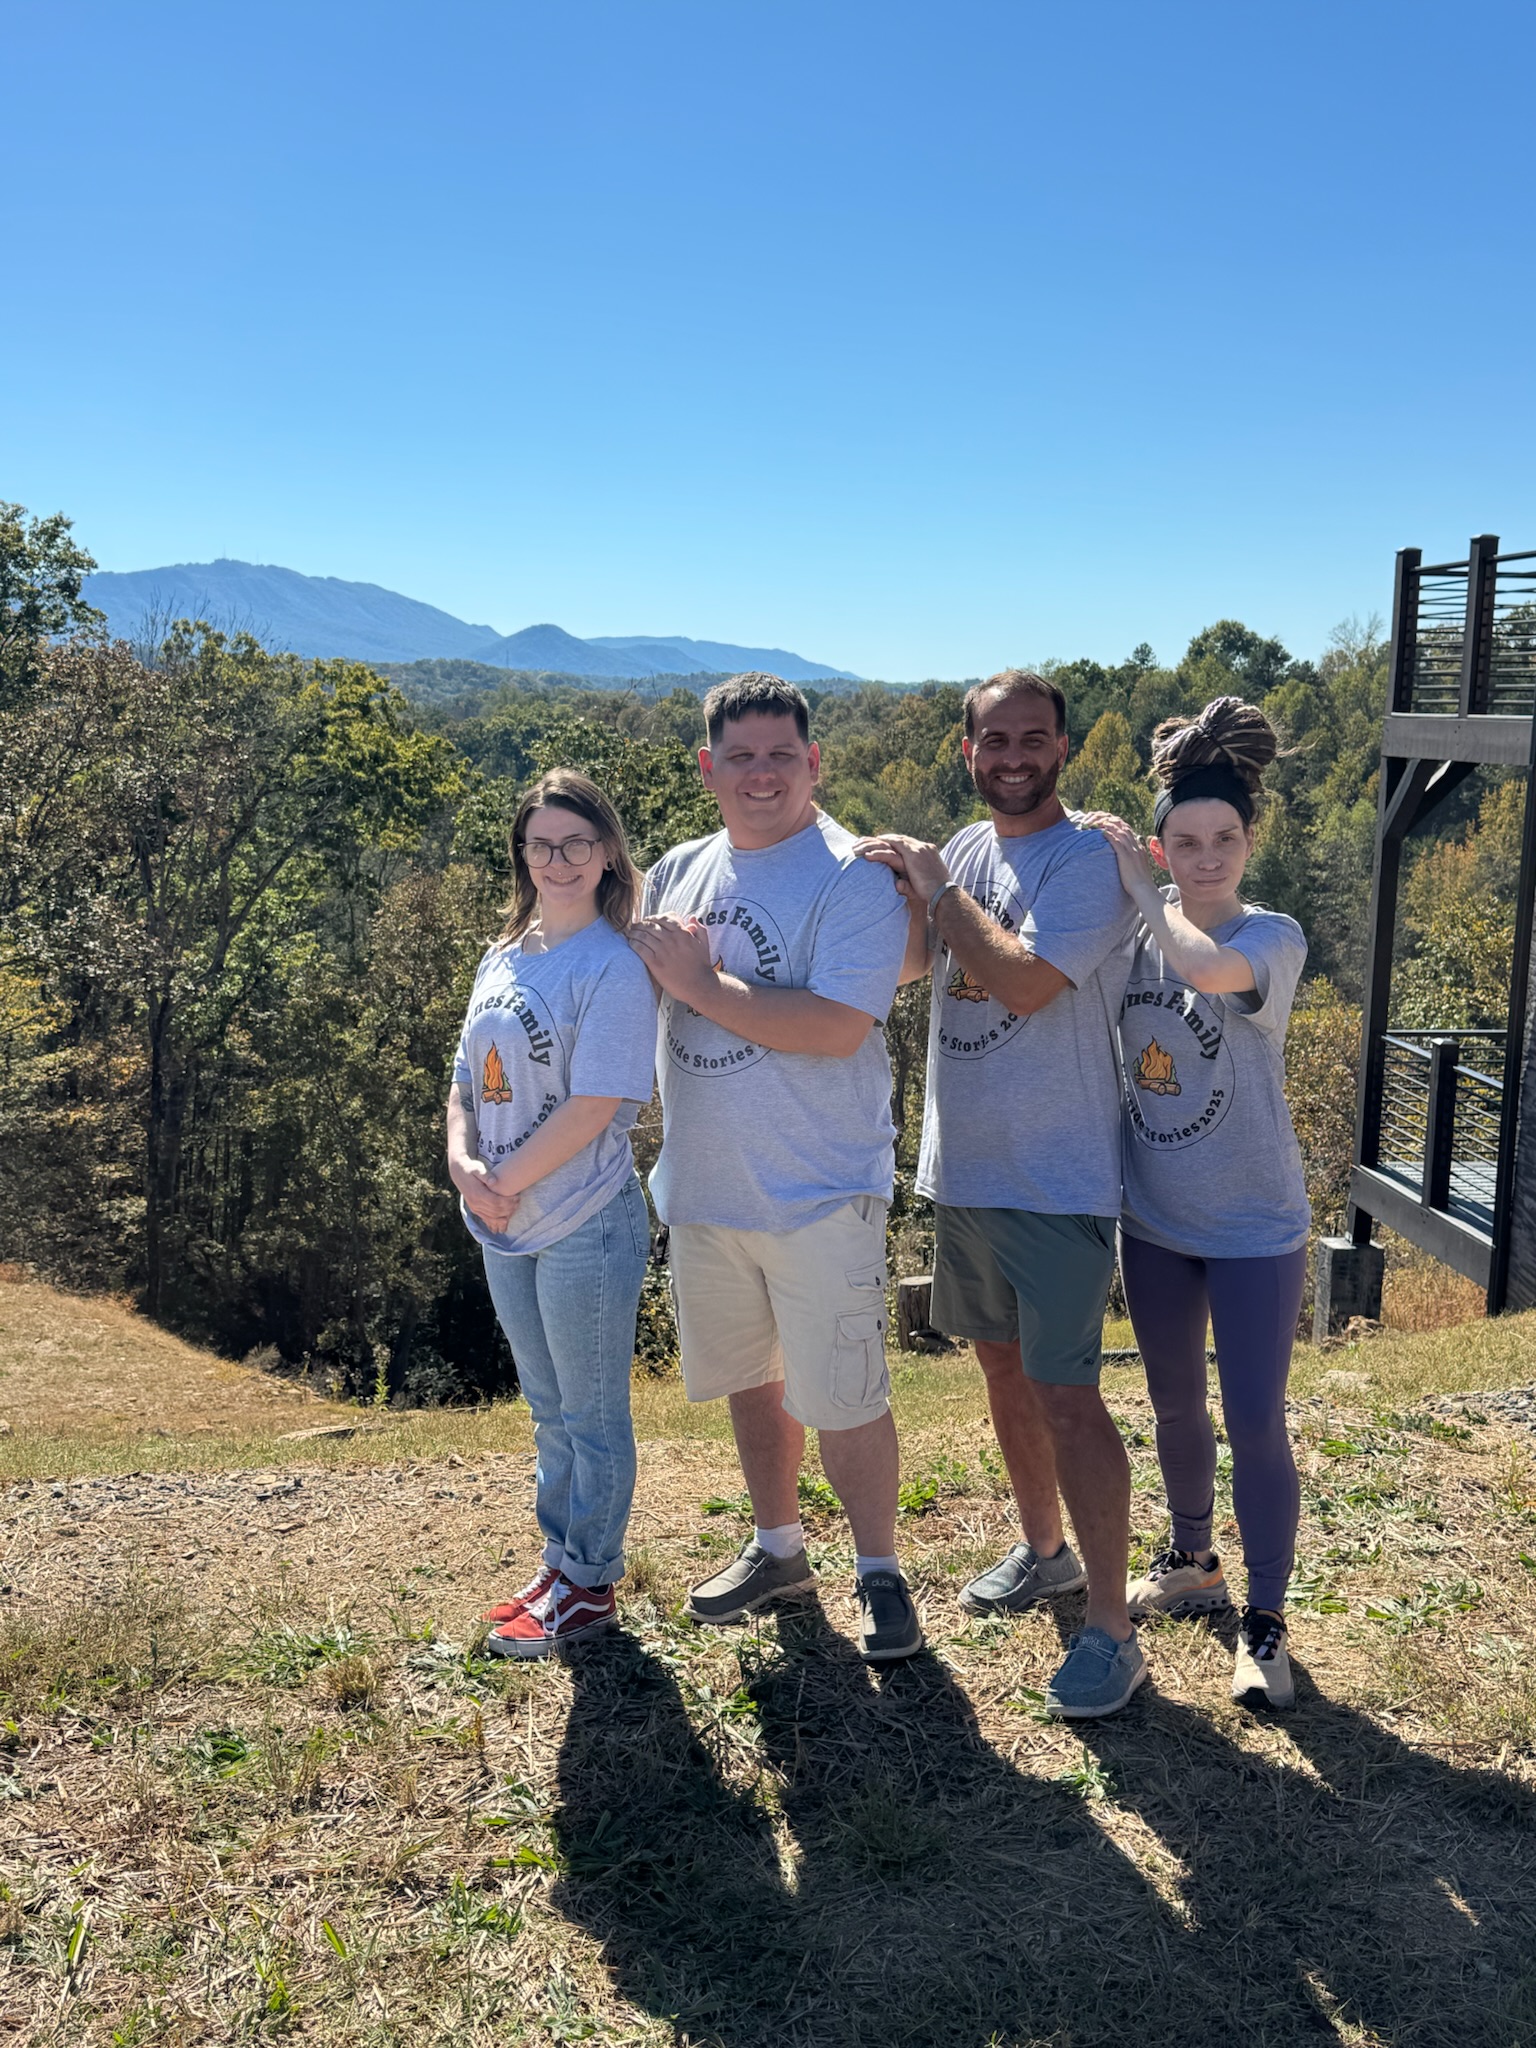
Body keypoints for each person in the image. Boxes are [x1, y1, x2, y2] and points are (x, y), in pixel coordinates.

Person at [860, 669, 1144, 1719]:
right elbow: (912, 967)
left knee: (1069, 1394)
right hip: (967, 1168)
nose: (1014, 756)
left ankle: (1113, 1629)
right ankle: (1045, 1551)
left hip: (1057, 1178)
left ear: (1064, 747)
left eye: (1033, 738)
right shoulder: (967, 850)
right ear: (966, 748)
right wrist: (882, 885)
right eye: (995, 739)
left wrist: (936, 889)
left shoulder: (1087, 863)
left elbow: (1023, 984)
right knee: (1001, 1367)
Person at [628, 673, 919, 1663]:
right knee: (751, 1381)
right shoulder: (677, 871)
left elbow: (836, 1026)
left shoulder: (851, 877)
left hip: (820, 1186)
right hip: (707, 1183)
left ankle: (879, 1570)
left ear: (814, 762)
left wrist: (703, 982)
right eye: (741, 756)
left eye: (781, 755)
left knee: (845, 1392)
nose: (762, 774)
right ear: (707, 767)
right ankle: (778, 1548)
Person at [1083, 695, 1309, 1711]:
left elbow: (1208, 969)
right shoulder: (1132, 942)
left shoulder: (1272, 936)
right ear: (1164, 842)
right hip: (1157, 1219)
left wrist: (1141, 884)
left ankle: (1266, 1621)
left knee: (1256, 1418)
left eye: (1224, 839)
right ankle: (1193, 1559)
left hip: (1255, 1224)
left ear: (1249, 841)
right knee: (1174, 1402)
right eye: (1185, 841)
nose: (1206, 857)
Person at [446, 769, 658, 1658]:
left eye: (576, 842)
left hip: (584, 1221)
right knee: (547, 1409)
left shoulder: (613, 965)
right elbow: (464, 1078)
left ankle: (590, 1584)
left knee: (591, 1413)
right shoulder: (506, 951)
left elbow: (596, 1105)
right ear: (521, 854)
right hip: (503, 1223)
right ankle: (560, 1562)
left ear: (607, 852)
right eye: (541, 844)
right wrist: (462, 1163)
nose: (558, 859)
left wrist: (500, 1180)